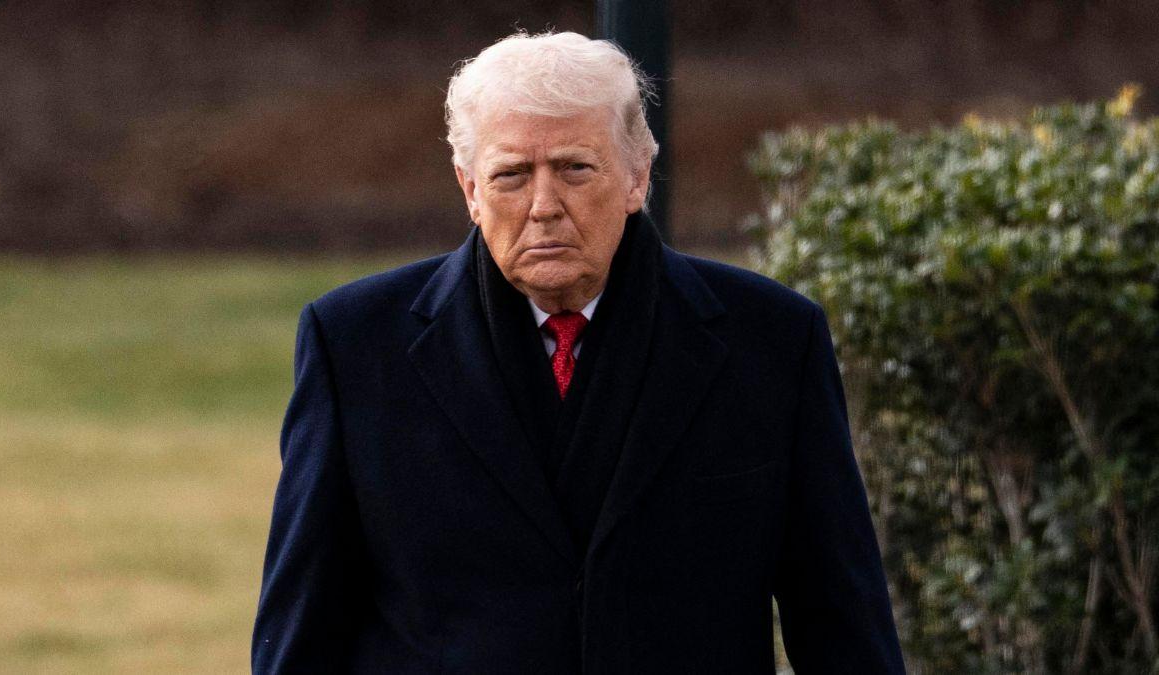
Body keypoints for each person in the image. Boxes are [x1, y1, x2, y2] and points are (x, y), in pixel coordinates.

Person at [252, 30, 905, 674]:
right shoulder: (357, 347)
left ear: (637, 176)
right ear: (469, 189)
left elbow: (844, 629)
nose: (543, 206)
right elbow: (301, 638)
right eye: (510, 174)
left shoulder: (772, 343)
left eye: (575, 168)